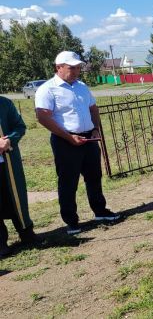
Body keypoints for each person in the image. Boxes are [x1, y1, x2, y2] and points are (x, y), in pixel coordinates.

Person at [35, 51, 119, 234]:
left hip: (88, 137)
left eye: (78, 67)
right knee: (68, 182)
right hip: (65, 141)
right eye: (72, 68)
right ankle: (71, 221)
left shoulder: (81, 86)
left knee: (94, 176)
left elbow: (93, 108)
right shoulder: (48, 89)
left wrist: (95, 128)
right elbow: (42, 117)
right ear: (59, 67)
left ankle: (100, 211)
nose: (76, 71)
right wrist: (68, 137)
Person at [0, 96, 37, 257]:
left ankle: (26, 233)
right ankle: (1, 244)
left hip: (7, 161)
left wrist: (9, 139)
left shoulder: (4, 103)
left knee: (15, 196)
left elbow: (19, 126)